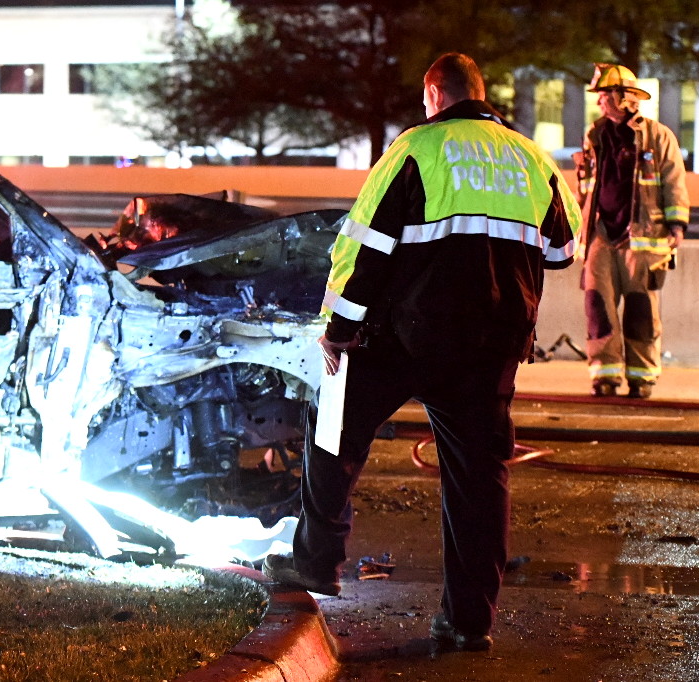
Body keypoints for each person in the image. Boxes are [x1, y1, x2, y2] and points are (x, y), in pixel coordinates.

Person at [262, 52, 581, 653]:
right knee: (479, 480)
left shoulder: (415, 149)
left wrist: (338, 328)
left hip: (405, 334)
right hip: (490, 344)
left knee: (333, 430)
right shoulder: (532, 159)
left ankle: (316, 563)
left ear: (435, 94)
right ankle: (468, 622)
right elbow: (563, 252)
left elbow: (365, 246)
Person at [574, 63, 690, 399]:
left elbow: (672, 181)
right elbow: (588, 189)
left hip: (644, 238)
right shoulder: (594, 135)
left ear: (625, 97)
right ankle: (604, 376)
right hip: (600, 235)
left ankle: (642, 378)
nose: (600, 103)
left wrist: (676, 225)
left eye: (605, 95)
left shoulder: (657, 136)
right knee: (598, 307)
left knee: (640, 309)